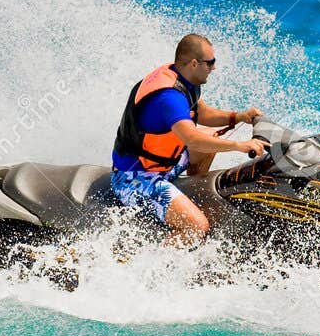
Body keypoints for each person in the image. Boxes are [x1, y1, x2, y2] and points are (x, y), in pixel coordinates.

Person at [109, 34, 268, 244]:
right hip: (136, 178)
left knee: (211, 141)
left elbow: (202, 114)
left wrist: (238, 116)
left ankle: (186, 202)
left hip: (164, 166)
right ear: (194, 63)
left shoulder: (183, 78)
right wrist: (239, 145)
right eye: (210, 63)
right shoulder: (168, 97)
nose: (214, 67)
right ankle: (152, 265)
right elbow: (191, 139)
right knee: (197, 227)